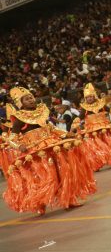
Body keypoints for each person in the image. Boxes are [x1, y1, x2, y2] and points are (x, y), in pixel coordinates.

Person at [2, 86, 96, 214]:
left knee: (63, 172)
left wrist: (65, 134)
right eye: (27, 99)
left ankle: (69, 199)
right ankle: (40, 203)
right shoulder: (19, 118)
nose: (31, 100)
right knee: (41, 178)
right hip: (35, 152)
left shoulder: (42, 112)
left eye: (31, 97)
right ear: (21, 103)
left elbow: (51, 129)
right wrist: (19, 146)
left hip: (51, 145)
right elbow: (11, 138)